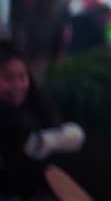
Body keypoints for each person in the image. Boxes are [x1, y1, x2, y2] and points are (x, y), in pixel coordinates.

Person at [0, 41, 85, 199]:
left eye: (22, 76)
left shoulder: (37, 107)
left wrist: (47, 141)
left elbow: (76, 137)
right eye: (7, 77)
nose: (17, 85)